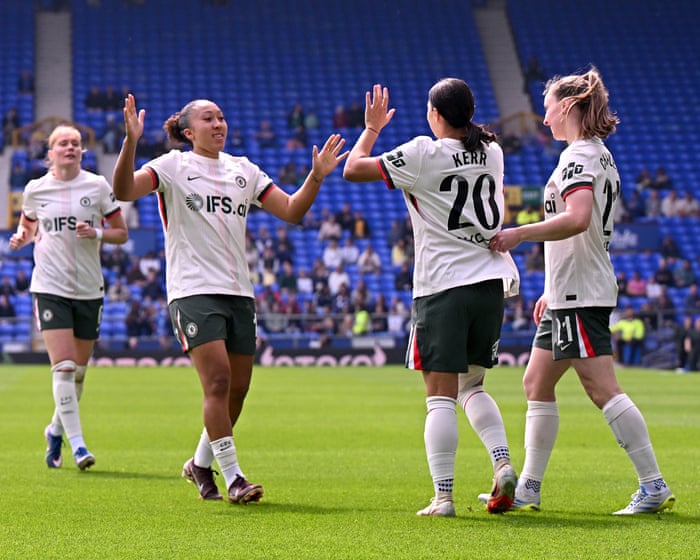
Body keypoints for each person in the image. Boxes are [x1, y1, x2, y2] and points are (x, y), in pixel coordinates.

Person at [112, 94, 347, 504]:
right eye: (208, 118)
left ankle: (200, 464)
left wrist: (316, 176)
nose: (218, 123)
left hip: (239, 291)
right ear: (189, 132)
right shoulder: (173, 165)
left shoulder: (244, 169)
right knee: (218, 380)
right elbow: (124, 190)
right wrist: (131, 141)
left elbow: (292, 211)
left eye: (221, 117)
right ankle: (235, 477)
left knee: (238, 389)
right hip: (192, 289)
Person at [488, 67, 674, 514]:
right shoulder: (596, 154)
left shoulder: (578, 158)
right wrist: (551, 288)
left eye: (548, 106)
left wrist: (519, 233)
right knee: (536, 382)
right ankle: (529, 488)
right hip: (569, 289)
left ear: (568, 106)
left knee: (601, 387)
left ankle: (653, 485)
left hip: (580, 291)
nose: (544, 116)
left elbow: (577, 218)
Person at [343, 80, 520, 517]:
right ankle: (502, 463)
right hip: (490, 283)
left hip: (443, 285)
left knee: (439, 397)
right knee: (472, 386)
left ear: (435, 115)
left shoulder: (423, 152)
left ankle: (443, 497)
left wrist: (372, 128)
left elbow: (353, 169)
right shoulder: (492, 152)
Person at [9, 124, 128, 470]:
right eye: (63, 143)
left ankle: (55, 431)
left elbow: (121, 233)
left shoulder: (97, 186)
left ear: (82, 152)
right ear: (51, 153)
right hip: (50, 287)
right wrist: (21, 238)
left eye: (76, 143)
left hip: (89, 289)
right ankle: (78, 446)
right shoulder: (36, 190)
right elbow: (28, 226)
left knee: (77, 374)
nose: (71, 147)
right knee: (62, 367)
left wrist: (97, 232)